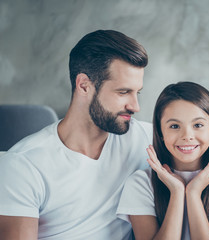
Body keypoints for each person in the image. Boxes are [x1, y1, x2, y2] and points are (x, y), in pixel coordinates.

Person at [0, 30, 152, 239]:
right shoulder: (23, 165)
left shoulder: (145, 139)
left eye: (138, 92)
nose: (135, 106)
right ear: (84, 86)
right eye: (123, 92)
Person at [117, 81, 209, 239]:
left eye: (198, 125)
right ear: (160, 132)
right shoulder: (141, 183)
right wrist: (177, 192)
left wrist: (193, 193)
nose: (187, 136)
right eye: (174, 126)